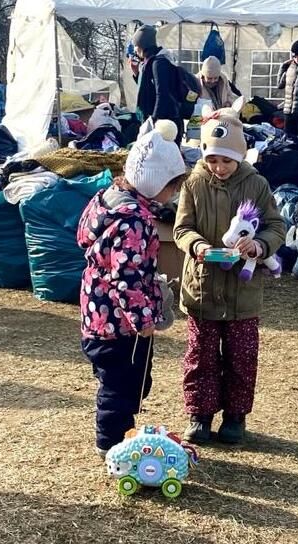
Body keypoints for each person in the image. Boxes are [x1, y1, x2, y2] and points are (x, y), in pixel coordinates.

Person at [174, 108, 286, 445]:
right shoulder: (194, 184)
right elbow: (182, 228)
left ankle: (236, 417)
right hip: (202, 288)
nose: (219, 168)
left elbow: (276, 225)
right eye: (213, 160)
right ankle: (200, 415)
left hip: (242, 292)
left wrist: (260, 246)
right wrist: (198, 247)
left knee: (241, 356)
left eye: (227, 161)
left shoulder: (257, 184)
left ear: (239, 156)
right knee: (201, 355)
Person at [78, 120, 188, 457]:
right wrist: (144, 319)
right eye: (172, 187)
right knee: (120, 386)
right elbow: (125, 277)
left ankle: (118, 435)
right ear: (154, 182)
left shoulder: (108, 200)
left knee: (125, 381)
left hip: (98, 313)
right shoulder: (133, 221)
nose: (173, 195)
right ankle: (111, 446)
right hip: (118, 323)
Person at [130, 25, 183, 145]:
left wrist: (154, 119)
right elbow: (150, 89)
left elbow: (162, 93)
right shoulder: (152, 61)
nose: (135, 50)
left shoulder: (159, 63)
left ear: (141, 45)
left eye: (136, 46)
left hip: (165, 122)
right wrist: (136, 74)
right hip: (164, 118)